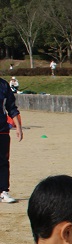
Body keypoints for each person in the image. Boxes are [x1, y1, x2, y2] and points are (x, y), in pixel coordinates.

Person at [0, 75, 22, 204]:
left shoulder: (3, 85)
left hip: (2, 129)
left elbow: (12, 107)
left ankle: (3, 191)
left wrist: (18, 127)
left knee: (3, 161)